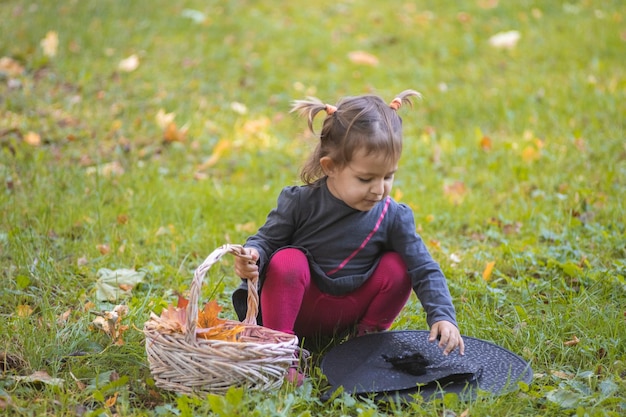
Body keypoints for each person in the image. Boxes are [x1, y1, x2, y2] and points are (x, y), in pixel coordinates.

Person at [232, 90, 464, 363]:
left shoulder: (393, 216)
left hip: (349, 310)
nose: (379, 190)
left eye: (388, 176)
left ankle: (363, 345)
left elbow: (424, 267)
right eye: (365, 179)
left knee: (399, 265)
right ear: (330, 167)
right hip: (298, 307)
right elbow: (266, 242)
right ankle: (281, 353)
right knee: (287, 260)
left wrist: (443, 316)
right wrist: (253, 255)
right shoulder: (300, 202)